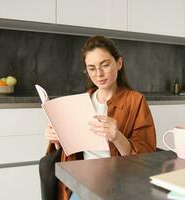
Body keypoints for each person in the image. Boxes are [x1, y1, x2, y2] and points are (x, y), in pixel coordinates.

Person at [44, 35, 156, 200]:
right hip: (83, 181)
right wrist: (57, 139)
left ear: (118, 63)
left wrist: (117, 137)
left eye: (105, 65)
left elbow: (147, 158)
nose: (99, 74)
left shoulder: (136, 101)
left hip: (120, 182)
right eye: (91, 68)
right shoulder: (81, 102)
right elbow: (71, 153)